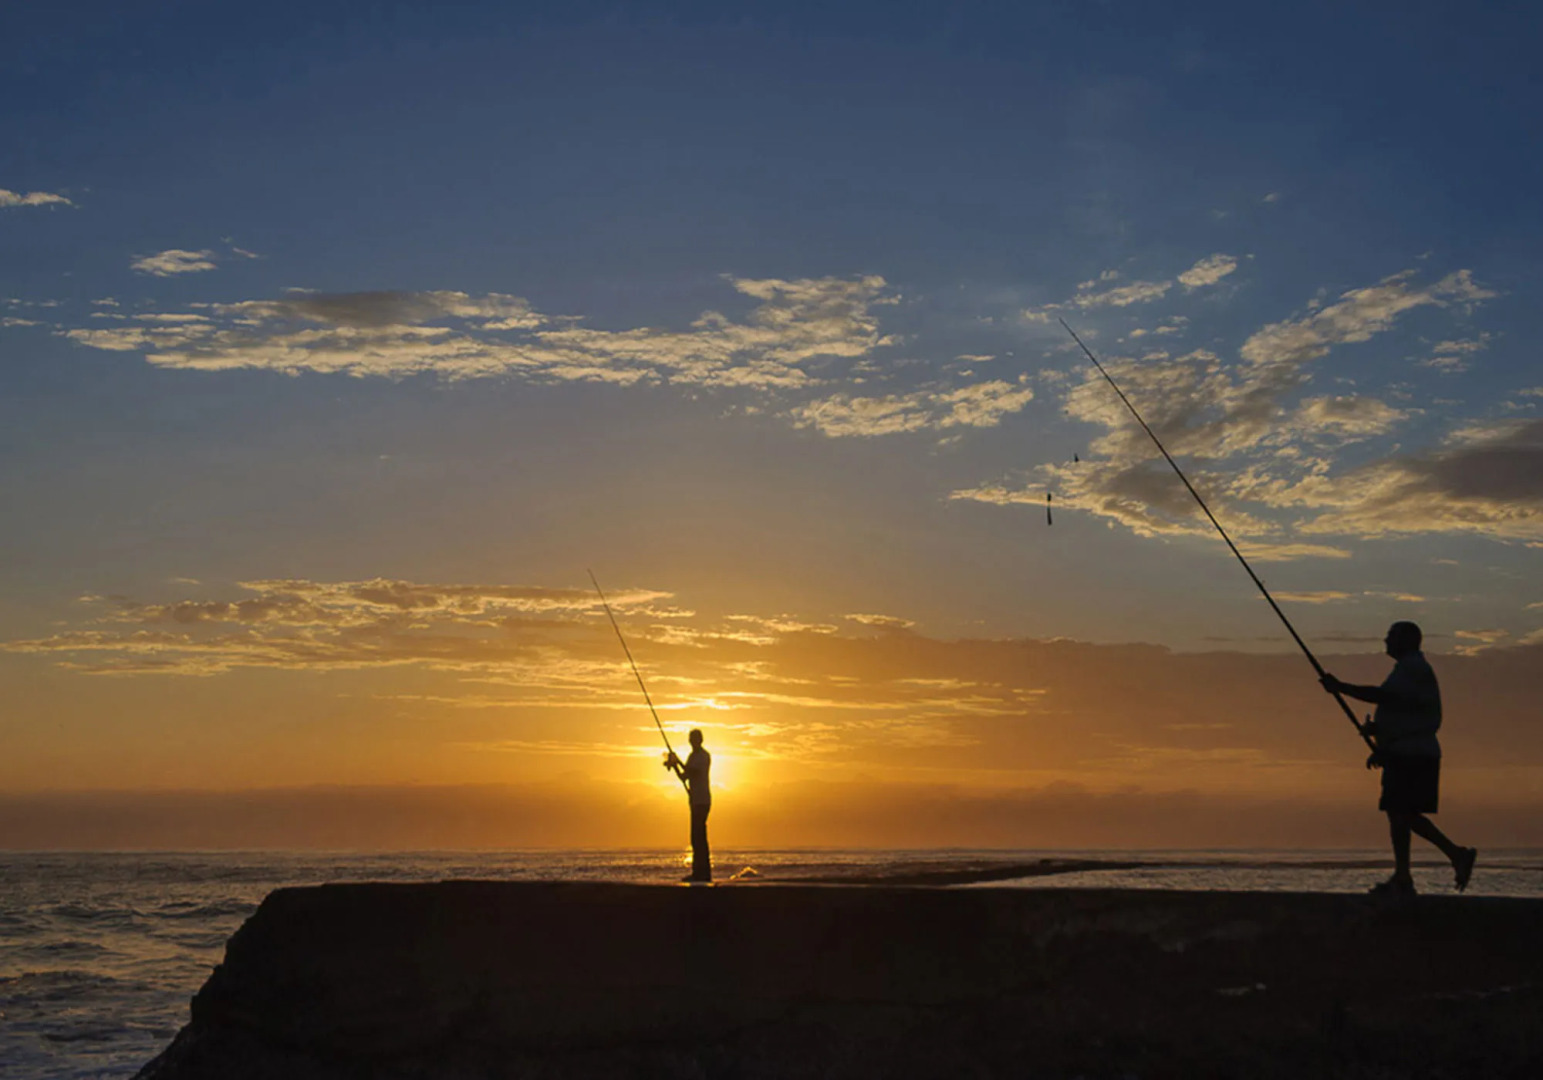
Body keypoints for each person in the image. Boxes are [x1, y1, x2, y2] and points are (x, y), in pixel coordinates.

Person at [1320, 621, 1477, 896]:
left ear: (1406, 640)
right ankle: (1410, 874)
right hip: (1405, 751)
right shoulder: (1407, 669)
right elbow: (1405, 710)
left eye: (1391, 636)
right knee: (1400, 814)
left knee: (1402, 813)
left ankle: (1445, 859)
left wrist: (1340, 687)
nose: (1385, 641)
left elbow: (1385, 697)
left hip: (1413, 752)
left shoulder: (1412, 668)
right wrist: (1379, 736)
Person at [665, 729, 712, 882]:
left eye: (694, 739)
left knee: (699, 837)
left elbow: (694, 772)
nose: (692, 742)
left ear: (700, 740)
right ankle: (698, 872)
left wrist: (678, 761)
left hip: (702, 800)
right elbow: (684, 776)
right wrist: (674, 766)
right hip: (695, 800)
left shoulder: (704, 756)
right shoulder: (692, 756)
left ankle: (703, 873)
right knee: (695, 837)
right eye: (691, 739)